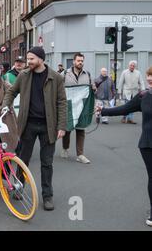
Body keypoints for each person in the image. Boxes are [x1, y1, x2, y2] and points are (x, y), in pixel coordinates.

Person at [2, 46, 67, 211]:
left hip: (48, 126)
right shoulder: (24, 75)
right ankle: (19, 187)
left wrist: (61, 126)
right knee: (23, 160)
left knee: (47, 162)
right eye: (27, 59)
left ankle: (47, 196)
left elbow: (62, 103)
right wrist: (6, 105)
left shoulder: (56, 78)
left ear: (41, 59)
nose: (28, 62)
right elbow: (11, 92)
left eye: (31, 59)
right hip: (28, 124)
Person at [97, 66, 152, 227]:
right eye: (149, 76)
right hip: (148, 144)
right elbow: (124, 109)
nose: (149, 79)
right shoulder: (143, 96)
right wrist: (104, 111)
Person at [61, 53, 95, 164]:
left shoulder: (88, 74)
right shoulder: (65, 73)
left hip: (82, 106)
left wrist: (94, 89)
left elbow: (92, 87)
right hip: (68, 105)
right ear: (73, 62)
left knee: (81, 129)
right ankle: (65, 148)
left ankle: (80, 154)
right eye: (78, 60)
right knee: (67, 128)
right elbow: (58, 87)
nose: (80, 62)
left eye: (82, 61)